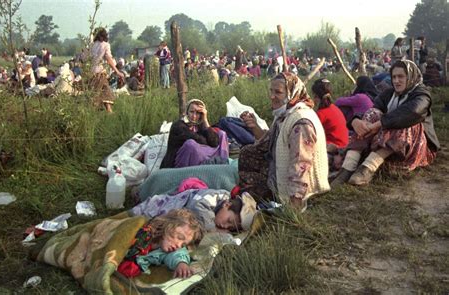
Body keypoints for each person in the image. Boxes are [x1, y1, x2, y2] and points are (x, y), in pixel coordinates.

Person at [332, 60, 440, 187]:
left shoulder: (422, 95)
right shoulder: (389, 93)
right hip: (391, 146)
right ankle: (348, 167)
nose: (396, 81)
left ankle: (367, 169)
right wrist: (356, 121)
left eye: (401, 76)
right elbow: (373, 108)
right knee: (373, 113)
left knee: (404, 121)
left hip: (415, 149)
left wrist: (379, 124)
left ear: (411, 76)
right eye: (394, 77)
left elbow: (413, 112)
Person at [238, 72, 330, 211]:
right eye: (271, 91)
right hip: (282, 169)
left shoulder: (301, 122)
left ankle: (281, 195)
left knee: (247, 195)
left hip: (303, 187)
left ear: (292, 94)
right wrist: (254, 126)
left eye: (278, 92)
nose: (272, 96)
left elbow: (301, 165)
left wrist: (294, 204)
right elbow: (268, 143)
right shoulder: (285, 113)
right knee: (247, 153)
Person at [117, 209, 204, 278]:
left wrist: (181, 264)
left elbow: (178, 254)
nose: (179, 245)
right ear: (168, 225)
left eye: (183, 244)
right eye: (180, 237)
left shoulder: (164, 251)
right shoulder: (145, 230)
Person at [129, 189, 257, 232]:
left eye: (230, 227)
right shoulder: (216, 196)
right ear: (227, 205)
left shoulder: (218, 211)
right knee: (132, 222)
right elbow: (197, 206)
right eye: (228, 220)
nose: (224, 226)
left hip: (166, 221)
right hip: (155, 208)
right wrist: (213, 228)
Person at [160, 99, 229, 169]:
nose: (194, 116)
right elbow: (198, 139)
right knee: (191, 144)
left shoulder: (199, 125)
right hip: (177, 164)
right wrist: (208, 142)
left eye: (198, 113)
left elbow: (214, 142)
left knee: (221, 134)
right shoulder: (178, 126)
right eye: (191, 112)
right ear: (187, 112)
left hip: (199, 155)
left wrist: (205, 120)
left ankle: (223, 166)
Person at [89, 27, 125, 113]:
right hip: (99, 73)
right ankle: (98, 111)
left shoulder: (91, 45)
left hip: (92, 72)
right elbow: (109, 59)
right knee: (98, 93)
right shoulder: (105, 45)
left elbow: (85, 58)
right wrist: (117, 71)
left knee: (104, 90)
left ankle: (109, 110)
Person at [311, 78, 349, 153]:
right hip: (344, 145)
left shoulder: (321, 114)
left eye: (314, 96)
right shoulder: (334, 108)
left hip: (334, 149)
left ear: (316, 97)